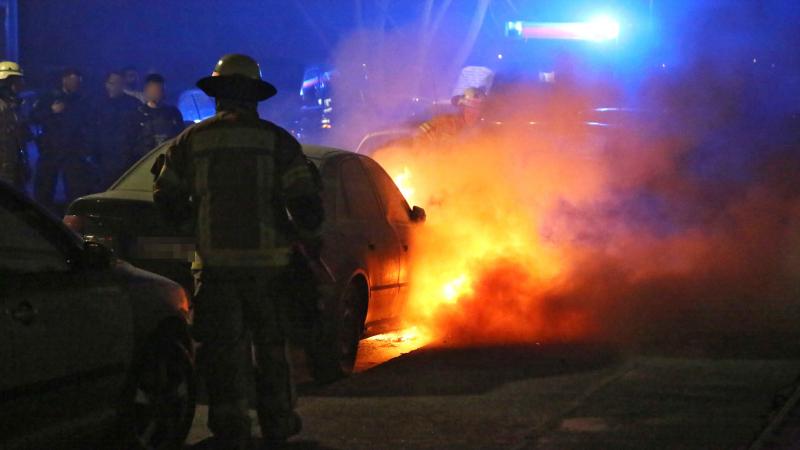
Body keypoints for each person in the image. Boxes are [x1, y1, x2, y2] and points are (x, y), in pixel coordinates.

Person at [153, 54, 323, 449]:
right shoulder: (277, 141)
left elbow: (167, 199)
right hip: (271, 270)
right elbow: (306, 205)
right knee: (271, 351)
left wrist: (194, 226)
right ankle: (278, 424)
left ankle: (230, 428)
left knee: (223, 353)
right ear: (254, 96)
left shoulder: (191, 141)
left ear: (218, 95)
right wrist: (306, 239)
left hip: (215, 269)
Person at [32, 68, 92, 211]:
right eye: (73, 81)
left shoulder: (81, 99)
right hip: (51, 148)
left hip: (73, 150)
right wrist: (51, 111)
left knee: (74, 187)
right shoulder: (48, 97)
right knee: (45, 186)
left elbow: (87, 122)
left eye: (78, 82)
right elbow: (33, 117)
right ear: (64, 79)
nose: (76, 85)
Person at [91, 71, 141, 189]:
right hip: (102, 158)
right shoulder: (96, 103)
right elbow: (89, 128)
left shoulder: (133, 104)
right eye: (111, 83)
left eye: (118, 83)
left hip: (126, 158)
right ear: (106, 84)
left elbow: (139, 129)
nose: (115, 86)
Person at [129, 73, 184, 162]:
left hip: (169, 160)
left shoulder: (173, 113)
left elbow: (181, 136)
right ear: (146, 90)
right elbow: (131, 142)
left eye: (158, 89)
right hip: (145, 162)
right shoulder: (137, 115)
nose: (156, 93)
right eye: (153, 89)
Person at [417, 86, 486, 143]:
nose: (473, 113)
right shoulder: (442, 122)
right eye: (469, 108)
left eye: (477, 109)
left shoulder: (485, 134)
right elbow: (418, 135)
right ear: (462, 108)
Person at [0, 61, 30, 190]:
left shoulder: (14, 106)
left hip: (14, 165)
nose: (20, 86)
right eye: (16, 82)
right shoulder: (3, 106)